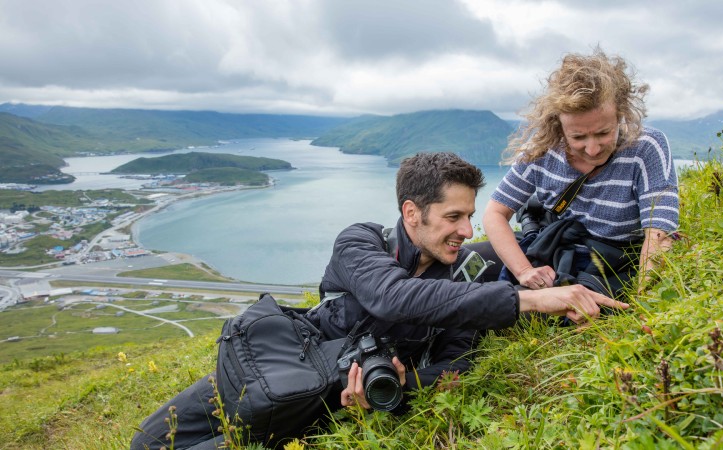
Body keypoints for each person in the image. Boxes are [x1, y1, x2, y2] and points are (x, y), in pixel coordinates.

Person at [131, 152, 628, 449]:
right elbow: (392, 298)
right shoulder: (360, 242)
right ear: (412, 213)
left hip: (322, 403)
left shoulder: (463, 281)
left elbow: (459, 360)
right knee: (148, 443)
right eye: (453, 216)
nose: (467, 230)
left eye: (470, 217)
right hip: (273, 362)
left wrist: (400, 387)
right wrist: (526, 301)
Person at [483, 49, 679, 298]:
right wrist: (523, 271)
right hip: (556, 250)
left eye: (603, 132)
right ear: (558, 125)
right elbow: (495, 213)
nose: (593, 148)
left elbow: (659, 233)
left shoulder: (645, 147)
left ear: (620, 114)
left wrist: (646, 300)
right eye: (578, 137)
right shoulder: (541, 150)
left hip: (614, 262)